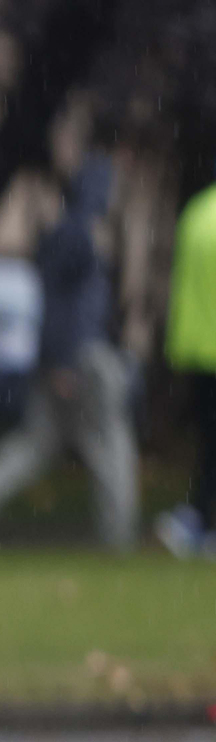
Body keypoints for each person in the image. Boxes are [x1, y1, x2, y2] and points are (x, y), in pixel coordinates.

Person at [0, 153, 139, 552]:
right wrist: (62, 361)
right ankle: (118, 537)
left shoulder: (67, 233)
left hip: (65, 358)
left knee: (36, 445)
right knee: (109, 446)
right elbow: (60, 306)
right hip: (81, 358)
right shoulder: (78, 237)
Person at [155, 168, 216, 559]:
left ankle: (197, 518)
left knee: (208, 441)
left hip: (196, 347)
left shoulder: (198, 213)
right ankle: (202, 521)